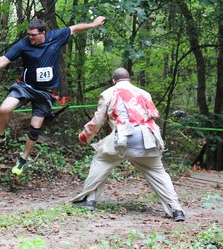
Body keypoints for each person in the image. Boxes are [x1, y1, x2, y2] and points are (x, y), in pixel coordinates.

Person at [0, 16, 107, 175]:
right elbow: (3, 60)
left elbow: (74, 28)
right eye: (29, 34)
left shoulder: (56, 37)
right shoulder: (23, 44)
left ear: (43, 33)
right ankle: (0, 135)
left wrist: (93, 24)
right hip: (26, 87)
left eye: (33, 35)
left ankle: (23, 159)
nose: (30, 37)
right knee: (4, 109)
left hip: (45, 93)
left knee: (35, 129)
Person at [71, 68, 185, 222]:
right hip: (150, 139)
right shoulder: (144, 93)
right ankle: (176, 209)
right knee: (158, 172)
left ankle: (88, 200)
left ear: (113, 80)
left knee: (101, 161)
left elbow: (97, 121)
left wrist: (85, 136)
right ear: (129, 79)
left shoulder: (108, 93)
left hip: (124, 139)